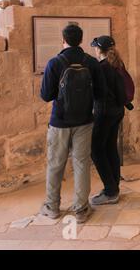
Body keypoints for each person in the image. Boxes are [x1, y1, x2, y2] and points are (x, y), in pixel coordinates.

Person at [40, 24, 106, 223]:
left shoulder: (55, 63)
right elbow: (101, 94)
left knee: (55, 164)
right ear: (81, 39)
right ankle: (81, 210)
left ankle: (52, 207)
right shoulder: (91, 62)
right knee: (81, 164)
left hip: (59, 121)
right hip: (84, 121)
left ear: (63, 39)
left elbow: (45, 95)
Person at [90, 36, 127, 205]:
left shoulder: (101, 68)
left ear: (99, 50)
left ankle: (111, 190)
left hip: (104, 113)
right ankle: (114, 186)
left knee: (96, 150)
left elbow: (97, 93)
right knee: (110, 147)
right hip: (118, 111)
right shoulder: (118, 64)